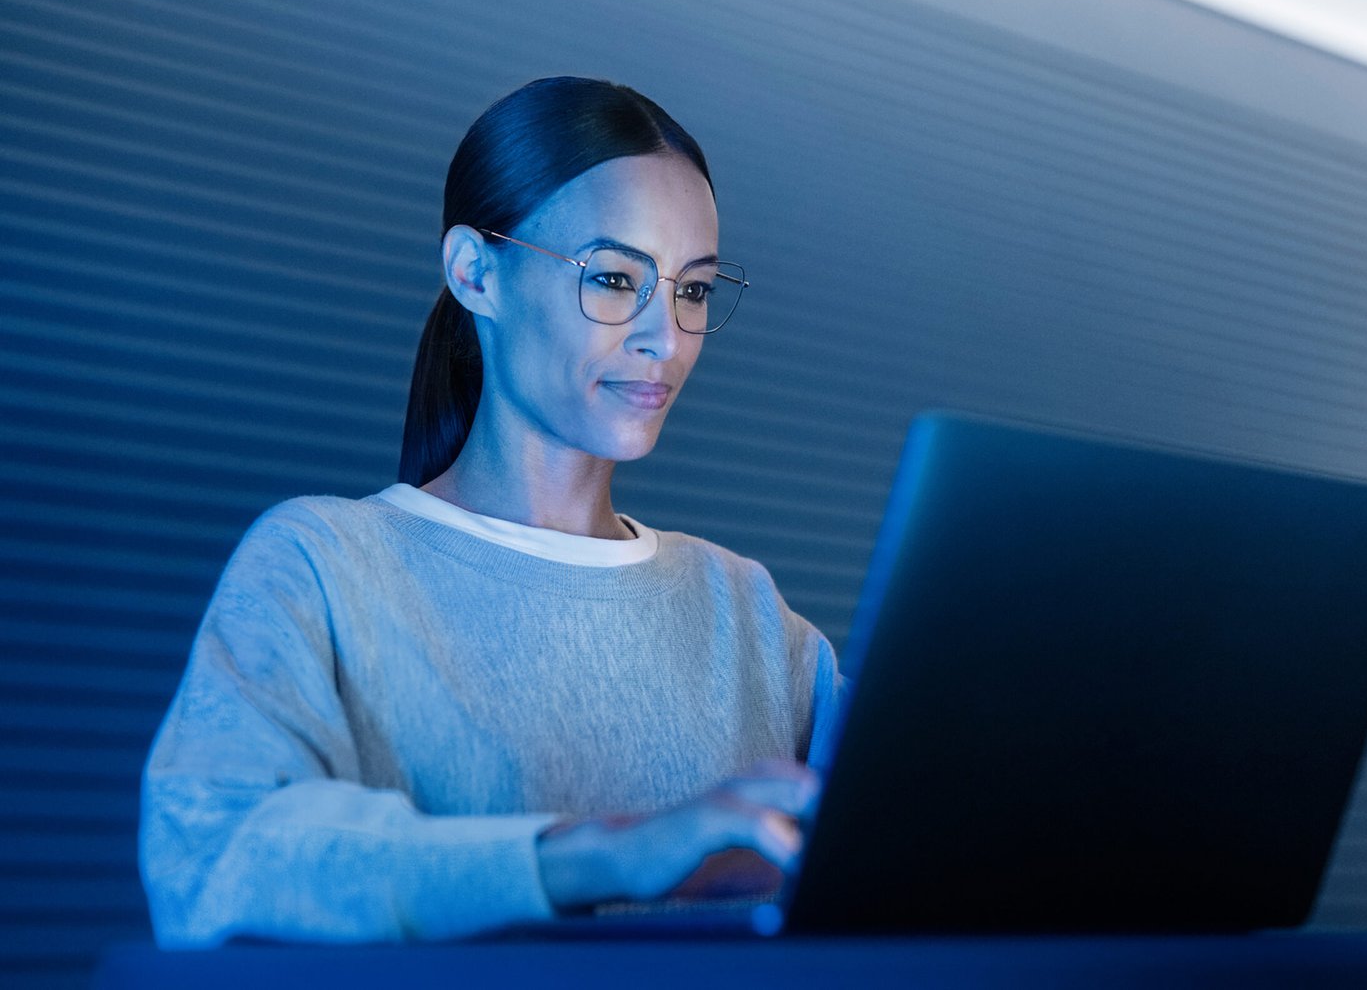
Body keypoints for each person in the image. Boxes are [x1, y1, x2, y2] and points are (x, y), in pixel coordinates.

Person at [139, 77, 845, 947]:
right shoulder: (321, 566)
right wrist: (606, 853)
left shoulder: (750, 614)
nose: (665, 337)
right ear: (476, 273)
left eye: (692, 291)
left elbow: (926, 837)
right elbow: (214, 856)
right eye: (614, 278)